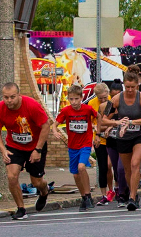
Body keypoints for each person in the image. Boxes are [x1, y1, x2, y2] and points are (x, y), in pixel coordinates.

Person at [0, 83, 51, 220]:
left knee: (37, 182)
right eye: (6, 97)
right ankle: (21, 209)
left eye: (12, 97)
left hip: (35, 145)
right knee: (12, 177)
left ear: (18, 95)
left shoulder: (32, 105)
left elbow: (46, 126)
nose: (9, 100)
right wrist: (3, 150)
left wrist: (38, 149)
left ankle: (44, 192)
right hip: (14, 146)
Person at [106, 70, 141, 210]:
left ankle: (132, 197)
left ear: (138, 86)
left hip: (140, 135)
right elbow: (103, 118)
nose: (130, 90)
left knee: (135, 163)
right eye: (127, 87)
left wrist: (131, 122)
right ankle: (133, 193)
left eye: (133, 87)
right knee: (127, 170)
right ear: (124, 85)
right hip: (123, 137)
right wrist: (117, 123)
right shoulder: (116, 99)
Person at [53, 84, 99, 212]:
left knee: (81, 167)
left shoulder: (88, 109)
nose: (74, 102)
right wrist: (55, 131)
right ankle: (84, 197)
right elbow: (55, 124)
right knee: (76, 175)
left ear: (81, 97)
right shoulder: (66, 111)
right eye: (71, 99)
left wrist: (96, 129)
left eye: (76, 99)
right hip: (72, 146)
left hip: (85, 144)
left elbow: (98, 117)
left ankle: (88, 195)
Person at [87, 82, 115, 206]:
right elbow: (92, 122)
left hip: (112, 137)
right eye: (100, 98)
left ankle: (113, 189)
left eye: (105, 97)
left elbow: (114, 120)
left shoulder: (113, 102)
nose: (103, 100)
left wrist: (107, 126)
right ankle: (104, 194)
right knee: (103, 166)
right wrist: (98, 129)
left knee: (110, 165)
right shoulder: (92, 104)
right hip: (99, 137)